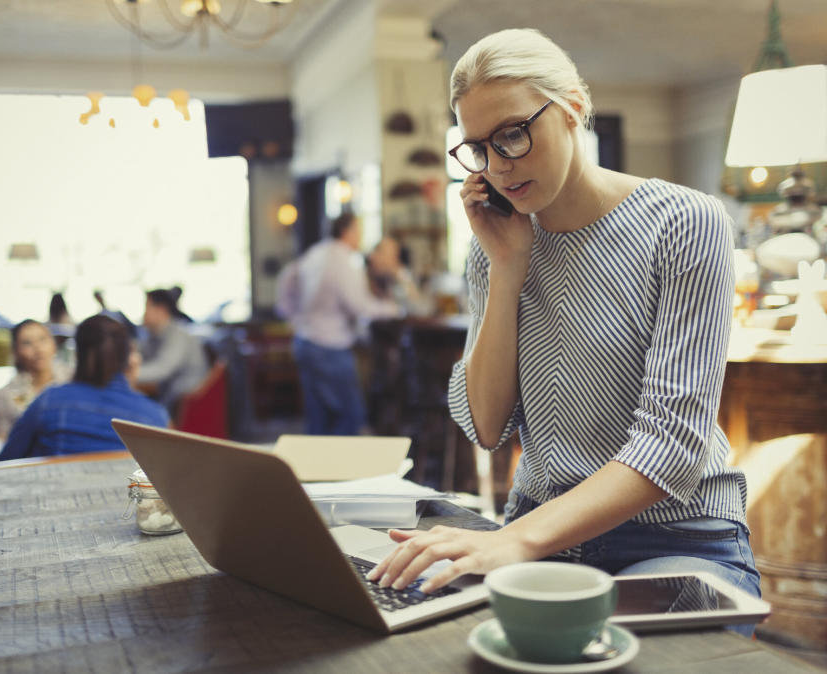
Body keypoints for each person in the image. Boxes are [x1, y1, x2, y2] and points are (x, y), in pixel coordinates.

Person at [366, 28, 760, 635]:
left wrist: (515, 541)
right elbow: (488, 425)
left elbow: (672, 446)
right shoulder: (495, 247)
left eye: (514, 134)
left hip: (675, 540)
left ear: (574, 106)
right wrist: (506, 267)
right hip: (542, 535)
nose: (499, 165)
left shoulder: (684, 223)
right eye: (478, 148)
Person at [276, 212, 401, 435]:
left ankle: (316, 469)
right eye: (358, 230)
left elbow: (287, 280)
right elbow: (359, 306)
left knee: (318, 418)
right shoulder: (343, 260)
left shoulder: (315, 253)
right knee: (351, 415)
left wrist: (293, 316)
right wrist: (391, 309)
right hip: (329, 345)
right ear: (348, 231)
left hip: (304, 341)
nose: (360, 236)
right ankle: (340, 468)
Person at [0, 314, 167, 460]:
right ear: (127, 358)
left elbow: (6, 462)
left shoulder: (48, 402)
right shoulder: (155, 417)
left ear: (77, 355)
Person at [0, 319, 70, 439]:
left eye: (42, 339)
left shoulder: (74, 380)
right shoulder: (3, 396)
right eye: (27, 343)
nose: (38, 349)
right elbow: (3, 440)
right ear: (16, 351)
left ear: (53, 344)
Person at [137, 288, 209, 417]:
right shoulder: (154, 334)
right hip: (170, 399)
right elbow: (141, 353)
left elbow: (162, 369)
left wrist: (126, 374)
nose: (142, 314)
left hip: (186, 406)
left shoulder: (177, 334)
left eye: (146, 307)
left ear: (161, 310)